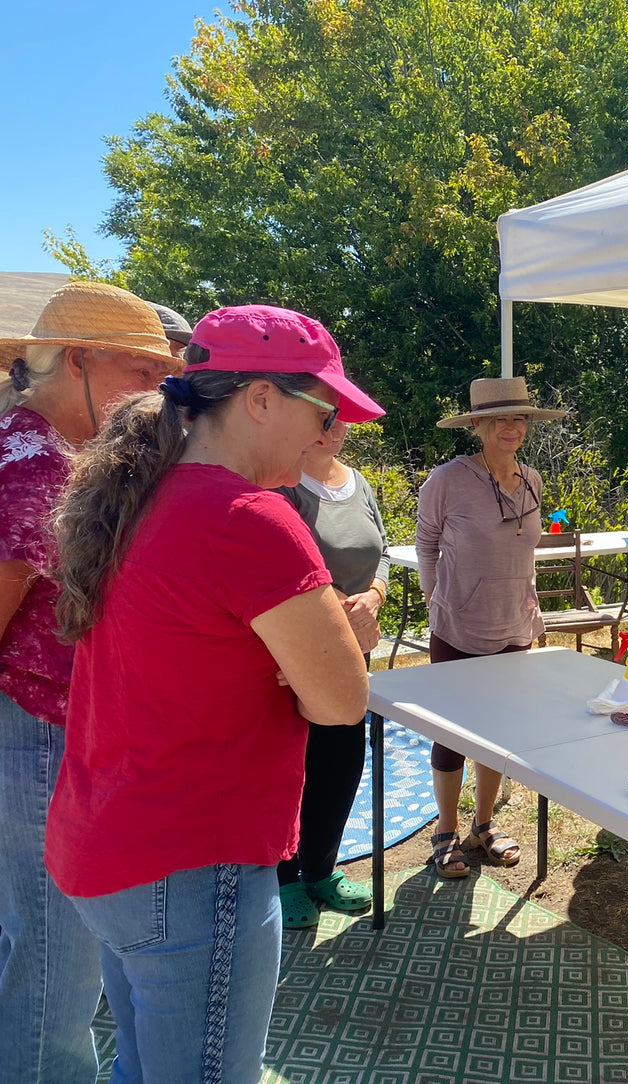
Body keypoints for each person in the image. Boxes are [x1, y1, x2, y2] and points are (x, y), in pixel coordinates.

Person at [44, 305, 379, 1082]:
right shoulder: (249, 518)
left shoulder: (138, 494)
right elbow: (339, 703)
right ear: (259, 399)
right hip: (194, 858)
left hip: (107, 839)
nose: (326, 435)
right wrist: (337, 647)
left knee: (145, 1065)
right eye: (321, 411)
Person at [0, 281, 181, 1084]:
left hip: (46, 726)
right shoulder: (37, 469)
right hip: (39, 732)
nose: (154, 392)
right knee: (52, 957)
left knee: (39, 944)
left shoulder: (40, 449)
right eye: (139, 371)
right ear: (75, 361)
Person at [418, 377, 566, 876]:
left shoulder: (531, 479)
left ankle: (483, 824)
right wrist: (435, 596)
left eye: (518, 417)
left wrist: (532, 607)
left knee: (498, 729)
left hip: (514, 623)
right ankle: (445, 828)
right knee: (452, 732)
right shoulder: (448, 479)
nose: (511, 426)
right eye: (499, 418)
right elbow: (427, 543)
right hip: (458, 625)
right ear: (477, 425)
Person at [273, 419, 390, 927]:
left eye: (338, 417)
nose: (330, 427)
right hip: (292, 652)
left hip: (352, 649)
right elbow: (277, 565)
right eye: (318, 417)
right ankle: (284, 878)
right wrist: (335, 611)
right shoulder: (278, 483)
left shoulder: (358, 482)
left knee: (342, 760)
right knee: (292, 764)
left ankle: (321, 868)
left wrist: (374, 598)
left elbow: (383, 552)